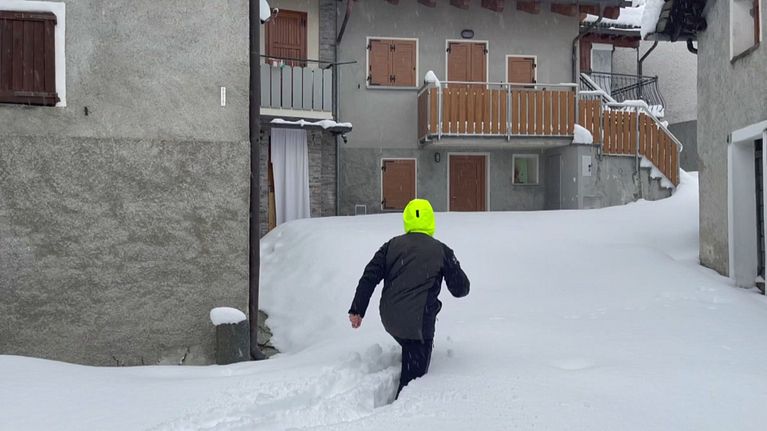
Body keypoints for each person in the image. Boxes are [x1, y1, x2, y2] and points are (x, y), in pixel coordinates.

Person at [348, 198, 470, 398]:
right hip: (418, 327)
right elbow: (461, 289)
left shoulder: (390, 246)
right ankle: (400, 405)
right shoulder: (441, 251)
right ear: (431, 221)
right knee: (414, 385)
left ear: (407, 220)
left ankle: (411, 351)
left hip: (390, 319)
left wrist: (357, 310)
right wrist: (451, 266)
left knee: (410, 340)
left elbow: (369, 277)